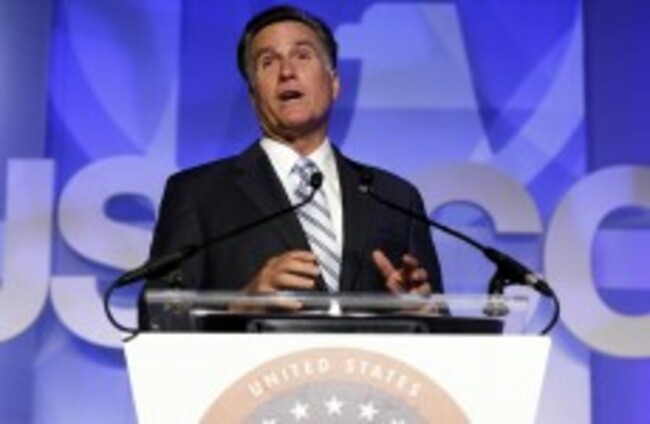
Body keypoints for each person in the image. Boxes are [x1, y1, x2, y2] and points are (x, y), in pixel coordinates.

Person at [143, 5, 442, 311]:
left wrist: (421, 313)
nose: (287, 72)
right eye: (268, 62)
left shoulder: (395, 197)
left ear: (334, 83)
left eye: (302, 55)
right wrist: (238, 307)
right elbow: (158, 315)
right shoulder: (198, 194)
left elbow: (440, 318)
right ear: (253, 96)